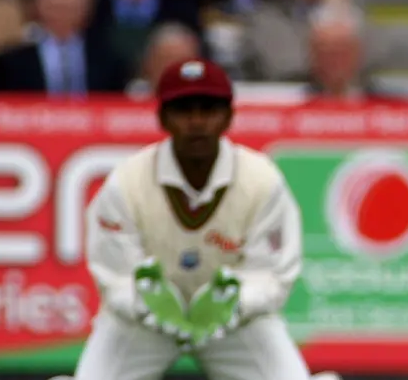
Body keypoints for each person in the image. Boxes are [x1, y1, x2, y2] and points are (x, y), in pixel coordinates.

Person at [73, 58, 308, 380]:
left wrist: (235, 302)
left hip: (233, 325)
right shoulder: (127, 182)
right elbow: (115, 276)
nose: (196, 122)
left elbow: (273, 274)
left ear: (228, 117)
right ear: (162, 118)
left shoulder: (261, 180)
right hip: (144, 325)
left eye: (208, 110)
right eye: (183, 111)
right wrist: (146, 303)